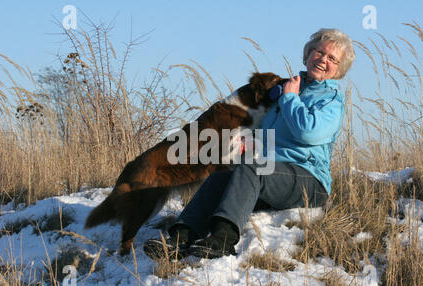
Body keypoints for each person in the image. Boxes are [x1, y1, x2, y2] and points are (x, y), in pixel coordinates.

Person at [144, 28, 355, 259]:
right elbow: (263, 131)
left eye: (332, 58)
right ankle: (180, 237)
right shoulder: (287, 88)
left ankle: (222, 239)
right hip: (271, 175)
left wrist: (290, 98)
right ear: (307, 55)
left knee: (254, 167)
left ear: (339, 69)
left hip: (308, 181)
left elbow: (308, 133)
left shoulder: (330, 100)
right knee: (224, 173)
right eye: (319, 52)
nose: (323, 60)